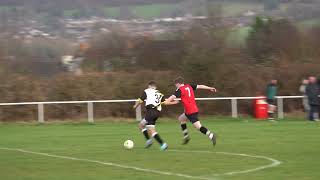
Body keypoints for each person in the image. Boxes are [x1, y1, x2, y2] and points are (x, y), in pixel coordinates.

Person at [165, 77, 217, 146]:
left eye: (175, 84)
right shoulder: (189, 86)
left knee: (198, 127)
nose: (175, 86)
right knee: (181, 119)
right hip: (191, 109)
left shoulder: (179, 90)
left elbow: (171, 98)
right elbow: (200, 86)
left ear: (178, 84)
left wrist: (166, 102)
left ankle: (211, 135)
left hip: (190, 111)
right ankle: (186, 136)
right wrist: (210, 88)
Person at [133, 81, 176, 150]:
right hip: (157, 113)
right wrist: (174, 102)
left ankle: (163, 144)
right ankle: (149, 141)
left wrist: (135, 106)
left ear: (149, 86)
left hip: (151, 112)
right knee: (141, 125)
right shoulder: (160, 93)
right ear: (155, 87)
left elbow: (140, 100)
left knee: (151, 130)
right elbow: (165, 103)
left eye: (148, 87)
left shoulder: (147, 91)